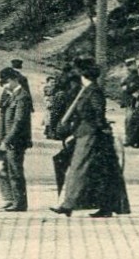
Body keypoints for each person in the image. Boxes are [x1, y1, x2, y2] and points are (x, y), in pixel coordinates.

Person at [50, 63, 131, 218]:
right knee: (99, 172)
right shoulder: (88, 90)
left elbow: (97, 114)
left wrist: (102, 127)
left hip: (91, 135)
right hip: (86, 134)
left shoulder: (92, 91)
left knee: (79, 169)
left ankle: (68, 205)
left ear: (83, 75)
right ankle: (99, 207)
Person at [0, 64, 33, 212]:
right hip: (7, 141)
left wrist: (6, 141)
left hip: (16, 141)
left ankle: (20, 203)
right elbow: (3, 120)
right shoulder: (10, 96)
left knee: (15, 171)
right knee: (0, 169)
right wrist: (0, 140)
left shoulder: (22, 97)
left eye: (5, 82)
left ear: (14, 80)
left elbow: (18, 122)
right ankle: (10, 199)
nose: (4, 86)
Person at [121, 61, 139, 150]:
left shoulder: (138, 76)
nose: (127, 68)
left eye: (129, 66)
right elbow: (124, 85)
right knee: (129, 120)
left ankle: (134, 140)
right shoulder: (128, 76)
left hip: (137, 102)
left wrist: (129, 89)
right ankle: (130, 140)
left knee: (134, 121)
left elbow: (133, 87)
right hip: (131, 101)